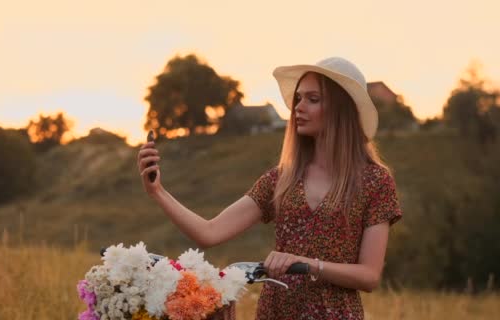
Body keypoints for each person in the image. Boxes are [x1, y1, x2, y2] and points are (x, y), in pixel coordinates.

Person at [137, 57, 402, 320]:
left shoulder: (375, 182)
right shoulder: (281, 179)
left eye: (313, 99)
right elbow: (209, 232)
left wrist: (306, 264)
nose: (298, 107)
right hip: (276, 313)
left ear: (341, 109)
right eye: (298, 98)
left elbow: (369, 276)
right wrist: (158, 192)